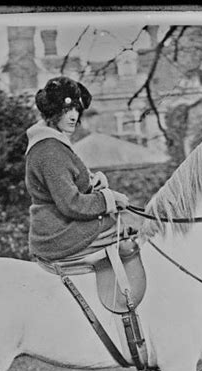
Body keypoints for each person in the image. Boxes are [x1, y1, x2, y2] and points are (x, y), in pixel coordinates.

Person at [25, 76, 131, 262]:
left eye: (76, 109)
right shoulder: (49, 150)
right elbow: (71, 204)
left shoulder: (54, 143)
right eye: (66, 110)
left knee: (128, 228)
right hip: (58, 234)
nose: (74, 116)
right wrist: (109, 199)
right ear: (53, 112)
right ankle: (123, 291)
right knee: (126, 232)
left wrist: (92, 181)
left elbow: (68, 181)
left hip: (61, 228)